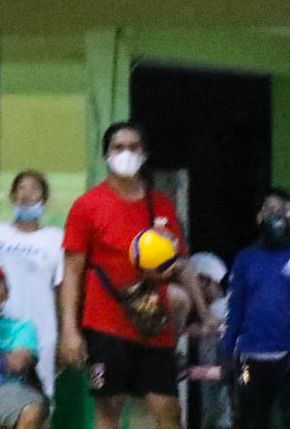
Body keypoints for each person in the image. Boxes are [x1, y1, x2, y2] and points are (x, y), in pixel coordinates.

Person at [58, 122, 206, 429]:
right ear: (106, 155)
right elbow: (72, 272)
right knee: (109, 410)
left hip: (153, 323)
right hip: (104, 324)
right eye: (118, 147)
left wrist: (170, 274)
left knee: (168, 411)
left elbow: (179, 262)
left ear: (145, 153)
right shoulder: (87, 206)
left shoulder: (161, 205)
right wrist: (70, 330)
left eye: (134, 147)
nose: (126, 153)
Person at [224, 187, 290, 429]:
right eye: (267, 209)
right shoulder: (245, 259)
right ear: (259, 216)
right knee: (248, 420)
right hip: (249, 359)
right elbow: (236, 306)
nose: (272, 215)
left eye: (278, 209)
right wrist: (226, 349)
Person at [0, 171, 65, 395]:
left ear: (44, 199)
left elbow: (60, 289)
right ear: (12, 196)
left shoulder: (55, 238)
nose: (27, 194)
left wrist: (65, 333)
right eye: (21, 189)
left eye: (34, 189)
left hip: (42, 329)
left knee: (40, 397)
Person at [0, 266, 48, 429]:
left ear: (6, 294)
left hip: (2, 389)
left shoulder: (21, 327)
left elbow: (17, 363)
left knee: (31, 410)